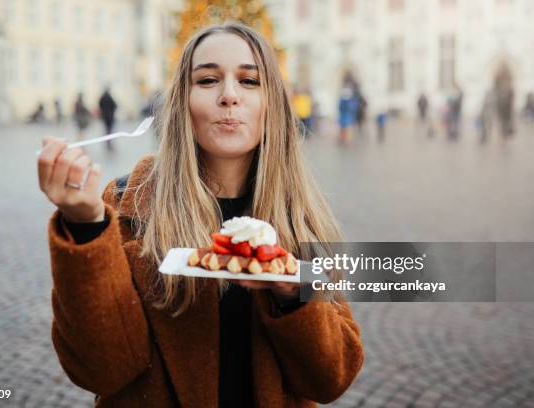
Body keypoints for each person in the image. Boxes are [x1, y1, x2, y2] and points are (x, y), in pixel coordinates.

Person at [37, 22, 363, 407]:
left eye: (249, 81)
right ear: (183, 102)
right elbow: (102, 371)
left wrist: (294, 295)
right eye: (207, 80)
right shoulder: (128, 203)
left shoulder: (300, 214)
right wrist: (86, 225)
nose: (229, 96)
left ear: (271, 102)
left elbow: (330, 379)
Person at [338, 77, 359, 144]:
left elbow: (340, 106)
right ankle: (345, 140)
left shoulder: (344, 97)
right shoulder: (350, 97)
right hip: (347, 115)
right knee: (347, 128)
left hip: (345, 115)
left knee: (344, 128)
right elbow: (353, 107)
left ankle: (344, 140)